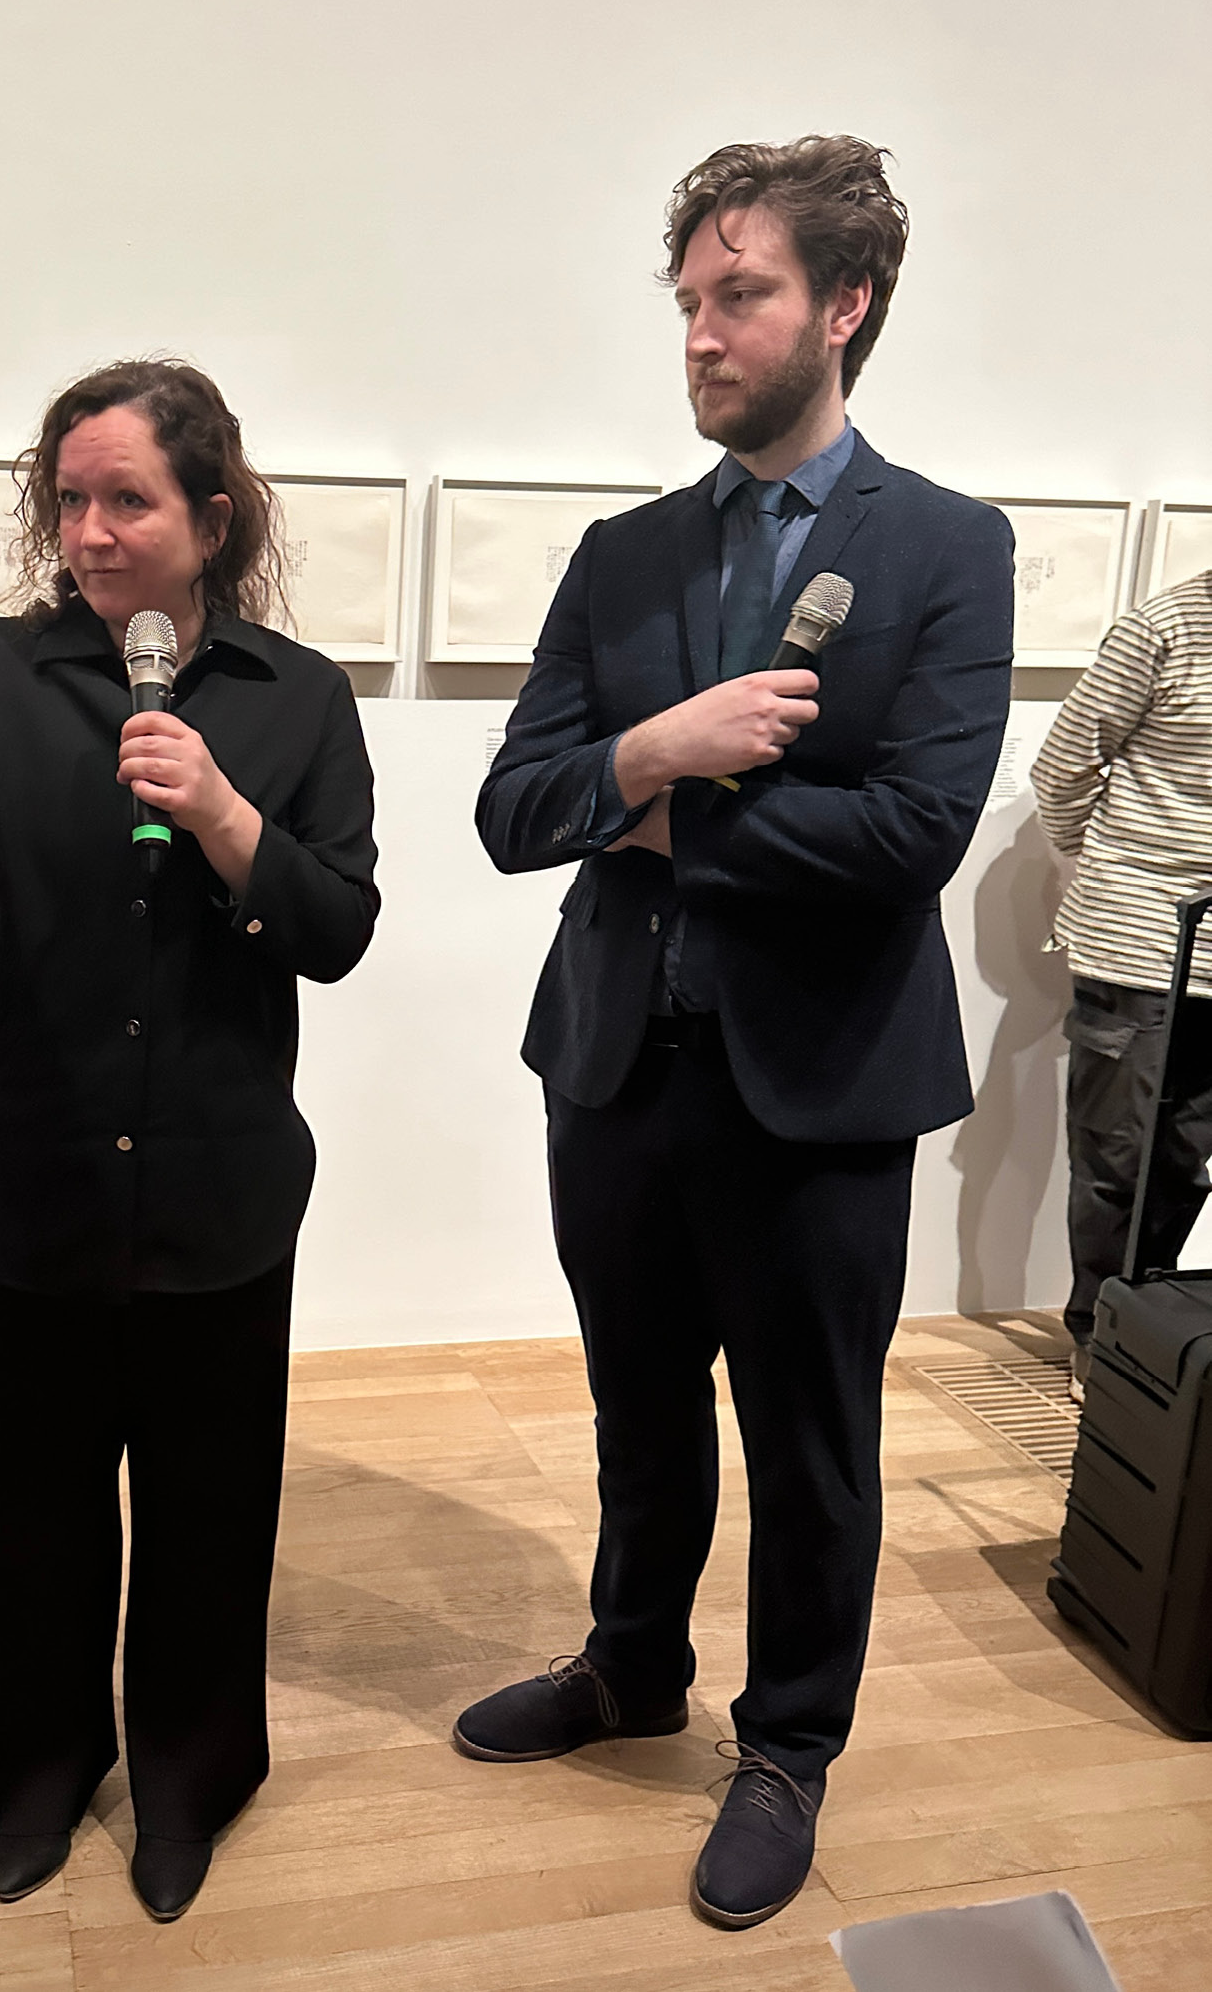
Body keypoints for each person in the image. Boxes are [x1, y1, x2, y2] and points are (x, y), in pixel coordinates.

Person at [460, 137, 1012, 1931]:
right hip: (617, 1064)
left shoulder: (945, 547)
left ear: (843, 308)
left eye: (741, 295)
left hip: (826, 1080)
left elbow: (912, 834)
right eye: (689, 300)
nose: (702, 334)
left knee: (811, 1431)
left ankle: (787, 1745)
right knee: (637, 1404)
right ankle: (632, 1662)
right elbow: (512, 803)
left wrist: (667, 805)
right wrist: (647, 749)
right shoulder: (621, 560)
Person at [0, 358, 378, 1922]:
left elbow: (333, 926)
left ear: (211, 517)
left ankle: (191, 1781)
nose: (87, 529)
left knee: (211, 1509)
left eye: (125, 497)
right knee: (29, 1502)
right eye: (67, 498)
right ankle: (33, 1776)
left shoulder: (300, 699)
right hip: (28, 1164)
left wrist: (222, 815)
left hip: (217, 1179)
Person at [1030, 570, 1212, 1400]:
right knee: (1117, 1154)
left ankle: (1149, 1325)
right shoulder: (1166, 624)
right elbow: (1060, 768)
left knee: (1183, 1158)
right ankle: (1097, 1332)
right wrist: (1107, 874)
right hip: (1137, 940)